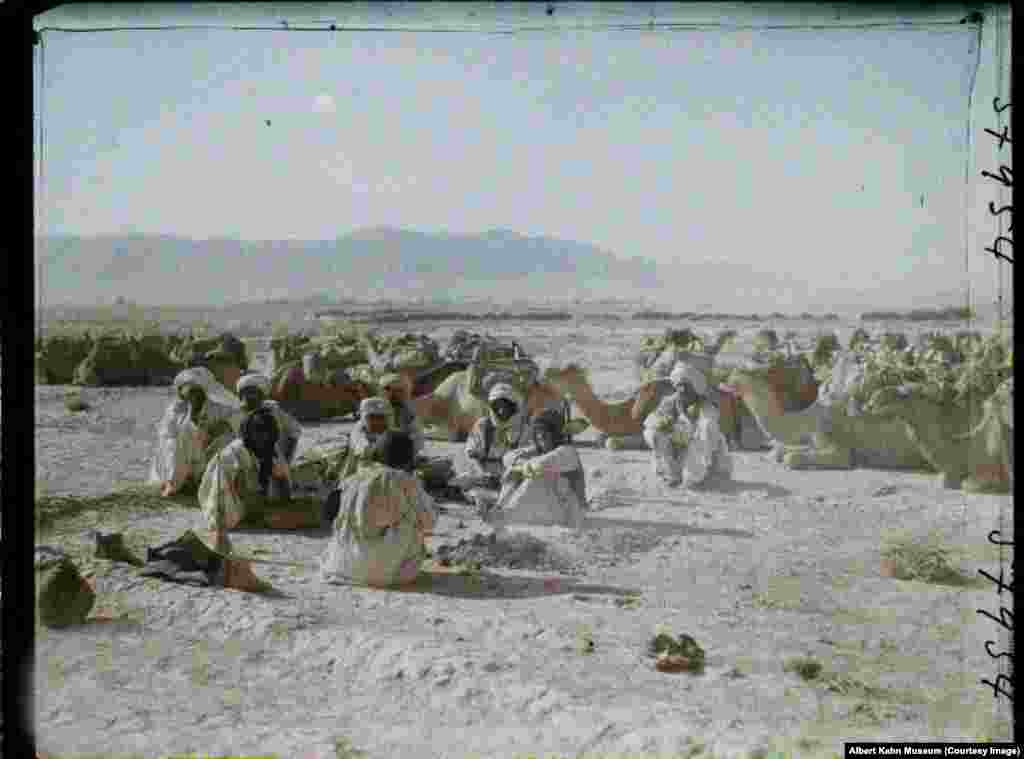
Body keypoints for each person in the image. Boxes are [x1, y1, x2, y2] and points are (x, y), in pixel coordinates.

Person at [197, 373, 303, 552]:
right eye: (246, 394)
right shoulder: (234, 417)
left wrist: (285, 458)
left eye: (254, 393)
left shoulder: (273, 412)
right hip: (240, 465)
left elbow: (293, 432)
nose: (250, 398)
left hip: (263, 454)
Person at [320, 430, 437, 588]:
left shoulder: (353, 478)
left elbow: (329, 513)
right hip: (384, 574)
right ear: (409, 457)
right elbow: (429, 523)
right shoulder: (404, 480)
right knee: (414, 522)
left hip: (339, 567)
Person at [486, 408, 587, 529]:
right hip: (552, 509)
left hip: (570, 516)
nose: (540, 436)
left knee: (537, 474)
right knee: (516, 470)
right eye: (538, 431)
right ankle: (499, 508)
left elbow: (541, 465)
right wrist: (519, 465)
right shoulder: (538, 450)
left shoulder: (568, 452)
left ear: (556, 433)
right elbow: (507, 458)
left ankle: (506, 515)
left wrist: (520, 468)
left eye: (546, 431)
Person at [149, 367, 240, 497]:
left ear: (203, 393)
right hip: (179, 458)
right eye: (189, 393)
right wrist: (189, 427)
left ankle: (210, 482)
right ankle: (174, 483)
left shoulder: (219, 410)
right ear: (181, 393)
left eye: (196, 393)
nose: (192, 397)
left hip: (207, 455)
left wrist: (216, 432)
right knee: (177, 440)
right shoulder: (174, 411)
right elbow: (166, 436)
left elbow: (233, 429)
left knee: (227, 441)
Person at [643, 362, 733, 489]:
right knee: (654, 433)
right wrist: (662, 423)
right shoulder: (670, 402)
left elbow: (708, 429)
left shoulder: (705, 406)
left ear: (695, 389)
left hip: (704, 454)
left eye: (686, 386)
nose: (682, 390)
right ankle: (671, 474)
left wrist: (690, 426)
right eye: (679, 386)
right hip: (679, 449)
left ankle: (694, 477)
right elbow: (650, 422)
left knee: (704, 433)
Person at [463, 383, 530, 512]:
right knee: (463, 479)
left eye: (505, 407)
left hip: (510, 476)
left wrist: (506, 474)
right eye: (497, 406)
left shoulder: (523, 429)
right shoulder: (483, 425)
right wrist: (483, 473)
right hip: (482, 474)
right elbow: (471, 453)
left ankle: (496, 503)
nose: (501, 411)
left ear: (514, 407)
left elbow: (524, 458)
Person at [337, 397, 393, 481]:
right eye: (372, 417)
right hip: (359, 476)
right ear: (363, 417)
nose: (377, 422)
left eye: (381, 417)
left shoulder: (391, 431)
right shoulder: (359, 430)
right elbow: (362, 447)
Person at [378, 372, 425, 456]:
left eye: (399, 391)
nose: (395, 394)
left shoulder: (408, 411)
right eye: (389, 390)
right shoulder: (376, 408)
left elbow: (418, 439)